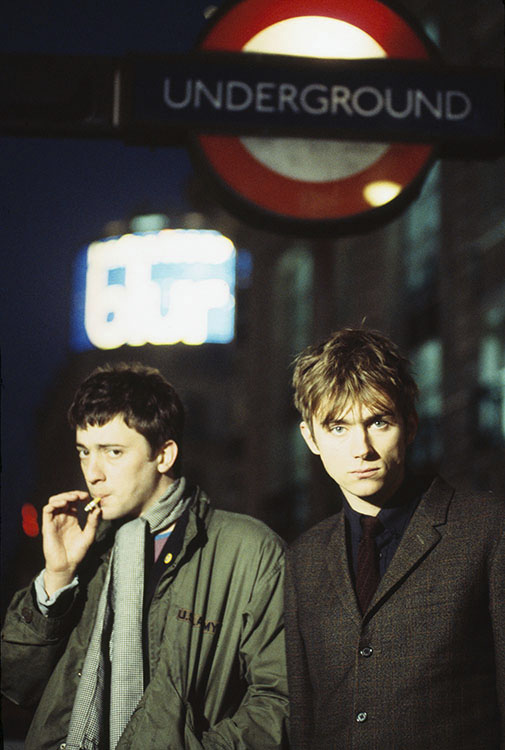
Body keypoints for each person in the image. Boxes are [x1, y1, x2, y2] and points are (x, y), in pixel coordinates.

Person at [2, 362, 288, 750]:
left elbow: (279, 702)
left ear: (164, 455)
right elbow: (18, 684)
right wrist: (57, 577)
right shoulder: (88, 548)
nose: (93, 472)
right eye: (84, 452)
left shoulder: (248, 549)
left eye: (113, 452)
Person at [285, 328, 504, 750]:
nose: (361, 448)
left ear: (410, 424)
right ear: (310, 438)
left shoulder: (487, 530)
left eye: (377, 422)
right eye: (338, 428)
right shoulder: (304, 558)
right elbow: (304, 720)